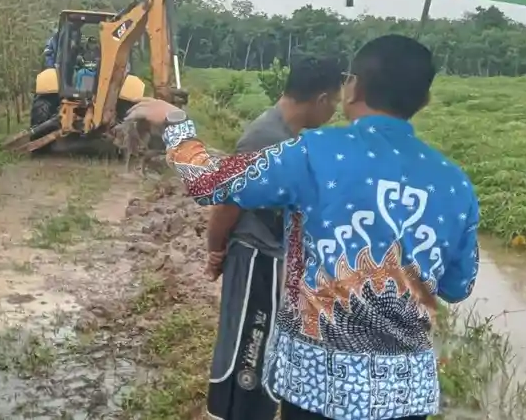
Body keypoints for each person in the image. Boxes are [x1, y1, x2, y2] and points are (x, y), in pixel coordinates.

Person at [128, 35, 480, 420]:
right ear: (424, 100)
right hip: (404, 394)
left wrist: (176, 124)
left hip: (317, 385)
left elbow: (209, 181)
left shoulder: (314, 152)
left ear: (353, 87)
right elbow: (458, 286)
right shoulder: (456, 185)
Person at [205, 57, 344, 420]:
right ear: (321, 99)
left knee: (266, 346)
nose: (334, 111)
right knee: (247, 347)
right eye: (334, 102)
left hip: (272, 258)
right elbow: (227, 204)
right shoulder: (265, 139)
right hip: (255, 259)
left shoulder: (289, 136)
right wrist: (215, 249)